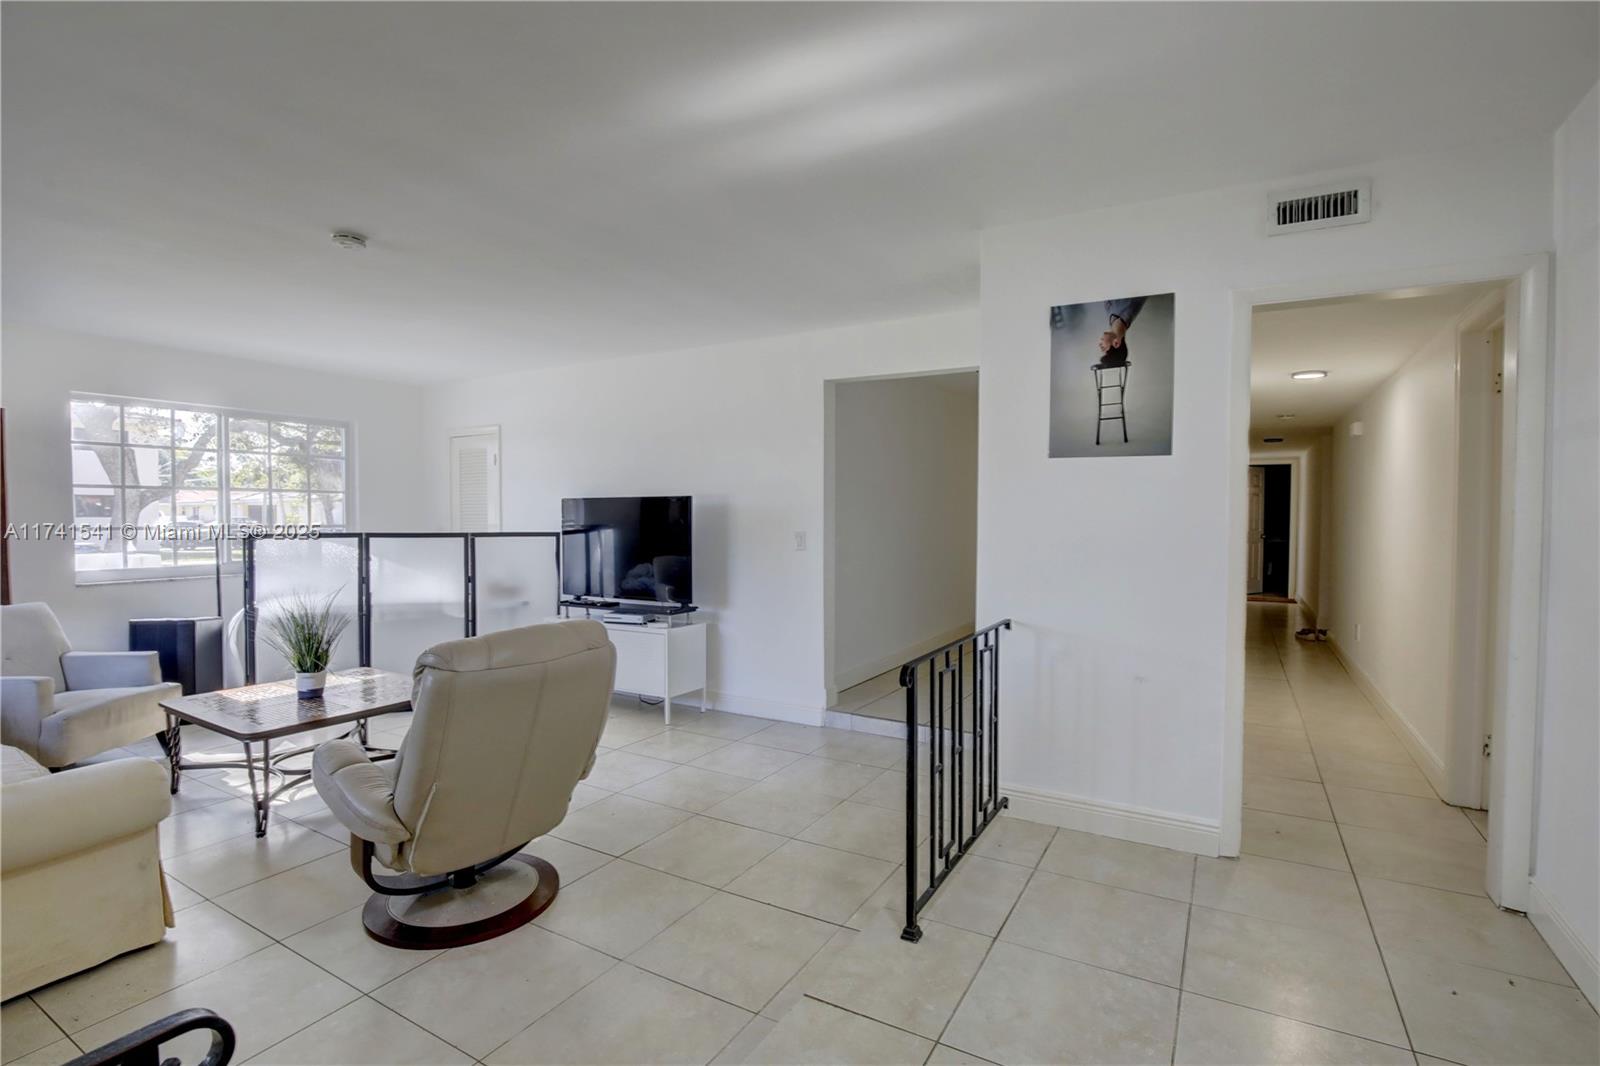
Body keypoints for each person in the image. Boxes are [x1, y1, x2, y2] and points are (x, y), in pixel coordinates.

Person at [1096, 296, 1146, 366]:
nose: (1099, 345)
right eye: (1103, 348)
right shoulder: (1130, 306)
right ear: (1116, 343)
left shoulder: (1112, 318)